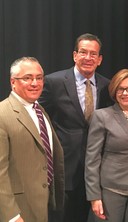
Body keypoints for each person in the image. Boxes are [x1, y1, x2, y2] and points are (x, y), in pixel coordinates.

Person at [39, 33, 112, 222]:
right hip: (65, 166)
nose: (88, 58)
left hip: (96, 167)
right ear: (74, 55)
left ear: (100, 59)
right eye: (83, 52)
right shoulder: (54, 82)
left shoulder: (107, 86)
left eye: (93, 54)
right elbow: (38, 118)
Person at [0, 57, 64, 221]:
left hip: (44, 204)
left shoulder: (40, 110)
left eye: (39, 78)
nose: (35, 83)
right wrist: (12, 215)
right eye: (27, 78)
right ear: (13, 82)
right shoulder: (2, 114)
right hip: (19, 209)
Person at [85, 69, 128, 222]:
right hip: (111, 189)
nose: (125, 93)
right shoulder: (102, 116)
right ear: (114, 91)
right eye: (120, 89)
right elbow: (92, 159)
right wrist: (94, 196)